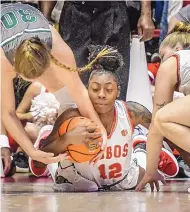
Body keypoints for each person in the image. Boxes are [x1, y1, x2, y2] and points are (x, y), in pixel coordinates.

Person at [30, 45, 178, 192]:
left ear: (118, 91)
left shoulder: (132, 112)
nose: (101, 94)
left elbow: (166, 132)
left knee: (141, 171)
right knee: (59, 167)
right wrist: (66, 139)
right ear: (86, 90)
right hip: (76, 181)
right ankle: (48, 137)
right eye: (95, 89)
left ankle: (141, 147)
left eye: (108, 89)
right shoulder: (71, 116)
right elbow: (38, 161)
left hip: (121, 181)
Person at [1, 3, 108, 165]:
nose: (33, 81)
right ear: (15, 67)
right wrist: (31, 151)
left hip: (29, 19)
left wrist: (100, 130)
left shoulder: (58, 48)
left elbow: (79, 92)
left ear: (49, 58)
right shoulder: (3, 61)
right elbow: (7, 113)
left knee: (67, 93)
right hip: (8, 31)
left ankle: (57, 138)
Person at [40, 1, 155, 100]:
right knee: (71, 82)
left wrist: (146, 13)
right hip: (75, 12)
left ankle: (113, 124)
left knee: (114, 82)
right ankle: (72, 123)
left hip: (113, 10)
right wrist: (44, 19)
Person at [136, 22, 190, 191]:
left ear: (178, 48)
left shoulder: (172, 63)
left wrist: (150, 171)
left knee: (162, 119)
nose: (160, 62)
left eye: (162, 55)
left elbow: (155, 126)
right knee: (175, 124)